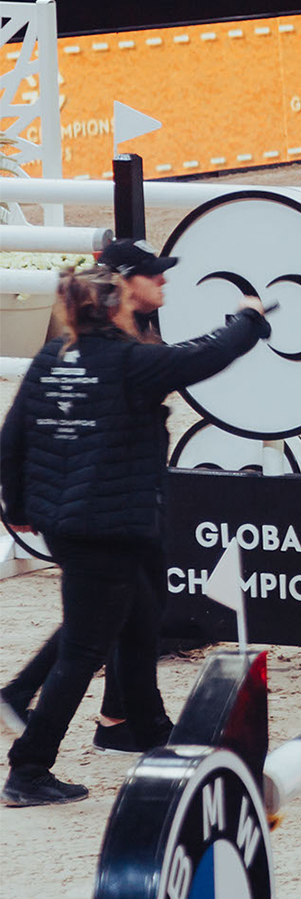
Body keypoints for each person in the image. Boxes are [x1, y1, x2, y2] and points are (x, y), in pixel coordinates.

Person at [1, 244, 269, 808]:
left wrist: (19, 508)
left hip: (72, 522)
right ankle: (29, 767)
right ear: (117, 306)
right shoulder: (130, 363)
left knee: (141, 622)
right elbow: (209, 356)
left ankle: (149, 733)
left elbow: (13, 438)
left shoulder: (53, 356)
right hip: (110, 527)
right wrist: (249, 319)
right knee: (82, 650)